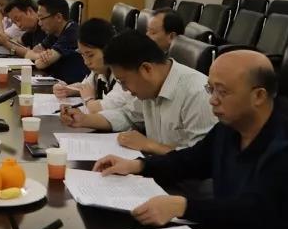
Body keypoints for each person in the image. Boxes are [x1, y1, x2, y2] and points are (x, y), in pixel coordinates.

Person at [93, 50, 288, 229]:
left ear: (259, 96)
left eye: (222, 91)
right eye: (210, 89)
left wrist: (183, 206)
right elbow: (191, 160)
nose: (212, 100)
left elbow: (252, 210)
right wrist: (138, 166)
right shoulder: (230, 127)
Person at [61, 30, 216, 154]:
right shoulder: (150, 86)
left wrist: (149, 145)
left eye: (124, 81)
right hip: (158, 168)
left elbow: (203, 159)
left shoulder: (197, 93)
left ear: (146, 69)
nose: (124, 89)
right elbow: (128, 116)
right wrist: (84, 120)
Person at [53, 18, 135, 113]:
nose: (86, 62)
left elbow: (98, 108)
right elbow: (86, 86)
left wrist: (88, 99)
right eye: (83, 55)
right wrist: (68, 89)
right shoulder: (100, 70)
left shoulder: (124, 74)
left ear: (108, 48)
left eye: (90, 55)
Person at [20, 0, 88, 83]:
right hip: (57, 82)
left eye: (42, 18)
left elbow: (40, 64)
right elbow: (28, 54)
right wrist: (42, 55)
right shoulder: (54, 32)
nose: (39, 23)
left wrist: (40, 57)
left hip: (72, 86)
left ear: (58, 17)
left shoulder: (72, 33)